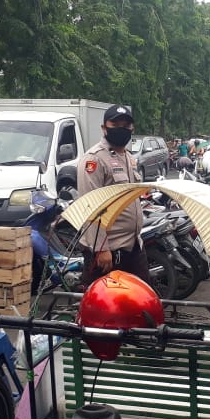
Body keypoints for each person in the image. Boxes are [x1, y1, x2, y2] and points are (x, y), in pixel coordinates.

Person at [76, 104, 148, 286]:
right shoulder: (94, 159)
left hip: (133, 247)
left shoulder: (128, 158)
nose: (121, 129)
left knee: (140, 304)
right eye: (115, 125)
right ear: (104, 128)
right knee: (105, 309)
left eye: (126, 125)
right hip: (108, 251)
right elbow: (90, 206)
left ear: (132, 129)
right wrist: (101, 249)